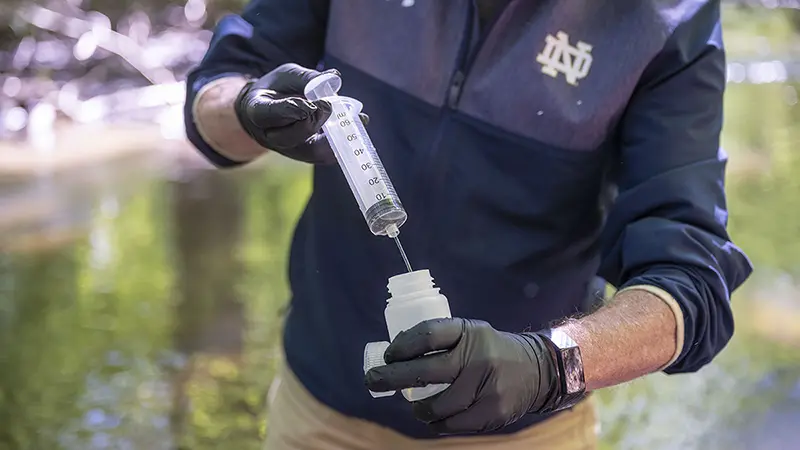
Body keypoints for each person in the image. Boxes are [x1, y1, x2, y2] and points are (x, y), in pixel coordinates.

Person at [184, 0, 753, 448]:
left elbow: (690, 282)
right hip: (317, 415)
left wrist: (549, 363)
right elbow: (219, 89)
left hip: (527, 432)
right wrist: (246, 108)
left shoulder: (667, 19)